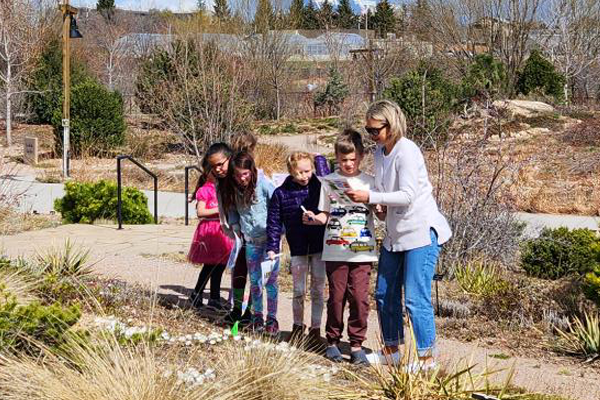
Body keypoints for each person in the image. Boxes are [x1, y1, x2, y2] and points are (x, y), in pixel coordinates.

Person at [345, 100, 452, 369]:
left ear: (390, 125)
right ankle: (391, 350)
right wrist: (378, 205)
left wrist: (371, 195)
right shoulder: (381, 152)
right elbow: (387, 192)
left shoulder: (408, 151)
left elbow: (407, 195)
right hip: (395, 234)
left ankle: (427, 359)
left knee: (416, 298)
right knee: (384, 293)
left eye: (374, 130)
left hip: (420, 232)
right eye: (367, 130)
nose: (371, 136)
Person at [304, 129, 377, 365]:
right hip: (335, 250)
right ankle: (333, 340)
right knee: (336, 297)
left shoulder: (370, 182)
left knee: (359, 299)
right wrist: (314, 219)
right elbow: (325, 214)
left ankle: (356, 344)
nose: (348, 163)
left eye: (353, 159)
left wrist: (377, 203)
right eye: (343, 159)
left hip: (362, 250)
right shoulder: (328, 183)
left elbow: (379, 212)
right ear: (336, 157)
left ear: (361, 156)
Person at [266, 152, 326, 346]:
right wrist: (272, 247)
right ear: (291, 172)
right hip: (298, 248)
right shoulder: (281, 193)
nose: (304, 176)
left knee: (317, 289)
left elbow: (327, 175)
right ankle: (297, 327)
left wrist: (320, 160)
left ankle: (316, 329)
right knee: (298, 290)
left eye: (308, 171)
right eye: (299, 172)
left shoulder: (320, 185)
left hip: (319, 246)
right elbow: (274, 222)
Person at [220, 151, 279, 335]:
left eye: (245, 174)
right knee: (254, 282)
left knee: (270, 282)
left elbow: (277, 204)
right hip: (250, 241)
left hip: (270, 242)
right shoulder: (233, 188)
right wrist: (236, 226)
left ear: (251, 171)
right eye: (237, 175)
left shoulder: (263, 184)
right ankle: (256, 317)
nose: (242, 178)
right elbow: (232, 210)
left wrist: (277, 232)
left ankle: (272, 319)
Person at [187, 155, 233, 310]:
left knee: (220, 266)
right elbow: (201, 212)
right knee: (209, 265)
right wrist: (220, 209)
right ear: (207, 173)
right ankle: (197, 293)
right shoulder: (205, 190)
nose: (218, 174)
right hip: (209, 231)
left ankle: (214, 297)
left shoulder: (223, 189)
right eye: (213, 172)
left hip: (222, 231)